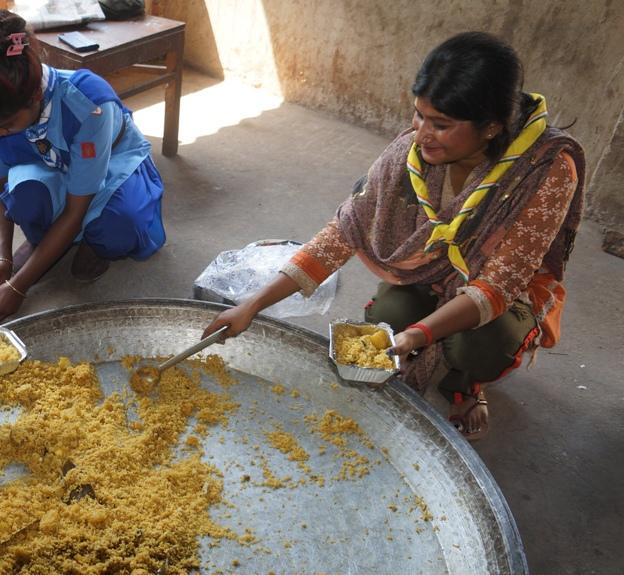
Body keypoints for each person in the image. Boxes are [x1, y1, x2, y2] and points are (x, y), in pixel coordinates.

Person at [203, 32, 584, 441]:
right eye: (419, 115)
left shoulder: (545, 170)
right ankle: (424, 333)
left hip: (507, 291)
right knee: (387, 318)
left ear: (490, 127)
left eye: (441, 124)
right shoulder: (411, 153)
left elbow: (496, 286)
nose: (420, 134)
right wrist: (253, 304)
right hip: (431, 272)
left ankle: (466, 385)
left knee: (478, 347)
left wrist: (416, 336)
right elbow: (342, 233)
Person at [0, 9, 166, 322]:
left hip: (111, 163)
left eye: (7, 125)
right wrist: (2, 257)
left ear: (36, 95)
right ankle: (45, 243)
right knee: (23, 195)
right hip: (51, 163)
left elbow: (77, 209)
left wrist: (19, 286)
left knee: (119, 225)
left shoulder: (89, 104)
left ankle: (88, 242)